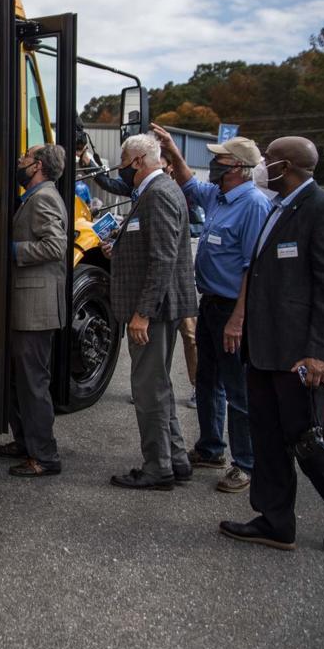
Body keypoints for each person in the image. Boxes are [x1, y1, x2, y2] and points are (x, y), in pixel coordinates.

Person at [220, 137, 324, 551]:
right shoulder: (278, 208)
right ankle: (275, 520)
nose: (262, 165)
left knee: (308, 439)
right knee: (267, 437)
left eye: (268, 159)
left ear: (287, 165)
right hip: (265, 348)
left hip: (301, 353)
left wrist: (322, 352)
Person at [153, 126, 271, 495]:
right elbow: (189, 183)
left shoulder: (252, 205)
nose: (214, 164)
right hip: (210, 305)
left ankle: (246, 463)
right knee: (207, 382)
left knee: (238, 391)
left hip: (233, 310)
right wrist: (171, 148)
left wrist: (239, 319)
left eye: (219, 159)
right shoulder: (221, 195)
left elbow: (255, 268)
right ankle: (210, 448)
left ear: (236, 166)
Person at [108, 133, 198, 490]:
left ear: (139, 161)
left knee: (148, 390)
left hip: (154, 310)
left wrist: (142, 313)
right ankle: (175, 458)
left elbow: (163, 259)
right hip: (160, 306)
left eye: (125, 161)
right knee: (158, 385)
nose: (123, 168)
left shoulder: (158, 193)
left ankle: (157, 467)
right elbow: (149, 245)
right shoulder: (158, 190)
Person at [0, 144, 68, 477]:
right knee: (18, 380)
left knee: (34, 383)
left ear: (37, 166)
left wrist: (11, 249)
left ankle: (45, 456)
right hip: (26, 305)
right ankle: (25, 442)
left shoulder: (45, 198)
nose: (19, 162)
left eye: (24, 158)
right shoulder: (35, 197)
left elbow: (55, 246)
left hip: (35, 308)